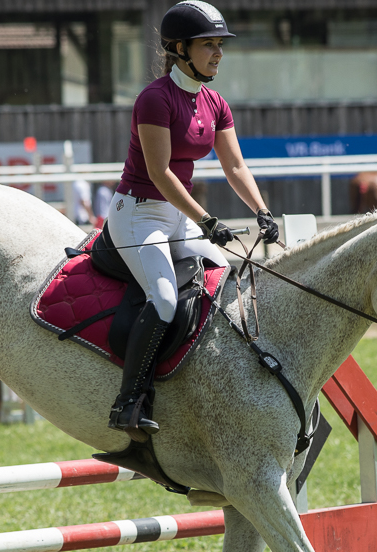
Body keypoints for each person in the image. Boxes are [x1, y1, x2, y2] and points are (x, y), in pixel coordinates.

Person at [106, 1, 279, 439]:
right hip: (138, 215)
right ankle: (129, 402)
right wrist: (207, 220)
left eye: (220, 45)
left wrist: (262, 212)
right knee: (164, 300)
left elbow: (235, 167)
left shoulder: (215, 102)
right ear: (179, 48)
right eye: (209, 45)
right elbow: (161, 172)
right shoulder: (154, 99)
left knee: (226, 280)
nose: (218, 53)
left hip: (177, 215)